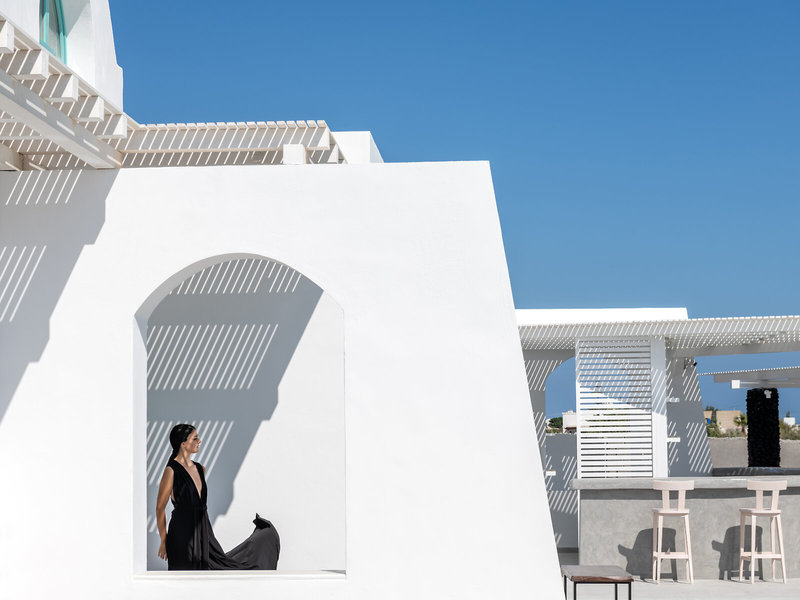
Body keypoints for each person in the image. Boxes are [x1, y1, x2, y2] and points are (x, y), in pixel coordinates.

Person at [155, 423, 280, 570]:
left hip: (204, 532)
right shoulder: (171, 471)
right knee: (185, 578)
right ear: (183, 444)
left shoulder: (201, 469)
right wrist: (164, 540)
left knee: (221, 569)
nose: (199, 441)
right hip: (181, 535)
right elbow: (159, 508)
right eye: (195, 438)